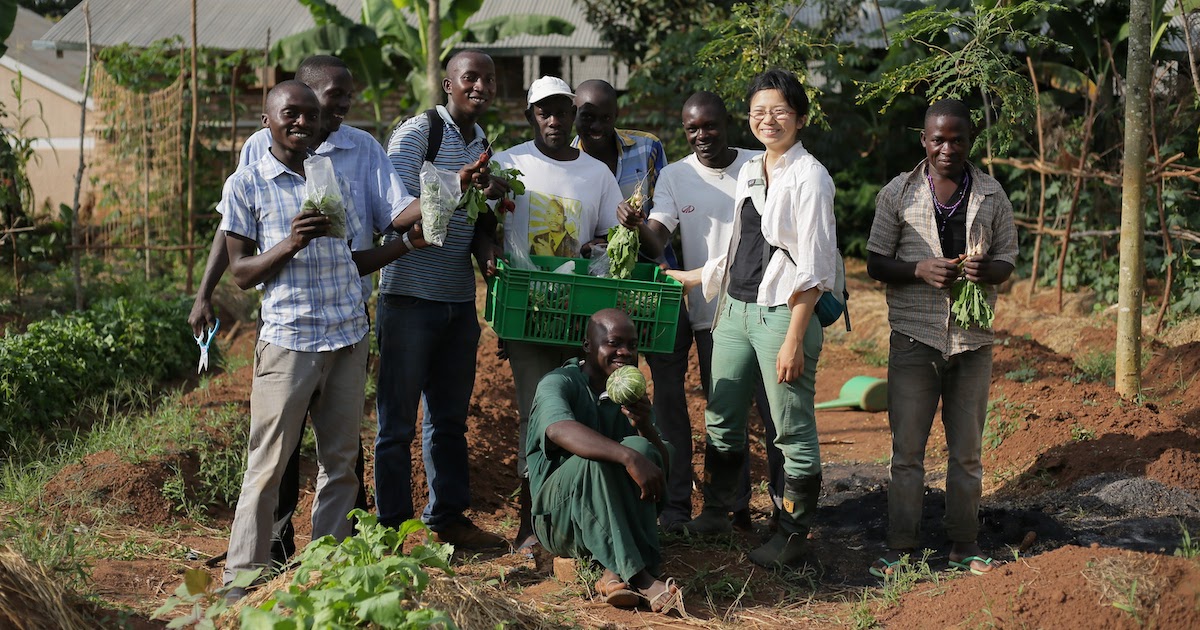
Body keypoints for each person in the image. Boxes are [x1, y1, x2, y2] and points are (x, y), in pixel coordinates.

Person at [187, 55, 420, 566]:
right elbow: (243, 272)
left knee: (340, 464)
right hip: (290, 339)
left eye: (310, 116)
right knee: (268, 463)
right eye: (291, 113)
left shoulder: (332, 173)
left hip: (347, 335)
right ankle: (243, 572)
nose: (302, 122)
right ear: (267, 120)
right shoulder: (247, 182)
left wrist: (412, 238)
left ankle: (323, 569)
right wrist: (290, 244)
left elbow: (353, 257)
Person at [667, 69, 838, 569]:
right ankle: (720, 511)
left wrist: (794, 339)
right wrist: (695, 276)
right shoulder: (750, 170)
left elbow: (814, 266)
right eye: (760, 112)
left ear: (800, 118)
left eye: (780, 111)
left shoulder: (811, 177)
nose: (769, 119)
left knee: (790, 427)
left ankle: (793, 532)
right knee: (722, 416)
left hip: (782, 315)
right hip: (734, 311)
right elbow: (741, 245)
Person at [617, 91, 782, 533]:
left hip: (760, 306)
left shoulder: (758, 162)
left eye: (709, 126)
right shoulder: (675, 176)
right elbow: (659, 237)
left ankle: (763, 509)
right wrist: (638, 226)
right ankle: (705, 507)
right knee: (701, 410)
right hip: (705, 311)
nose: (702, 135)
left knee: (755, 411)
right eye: (692, 129)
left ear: (727, 123)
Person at [865, 98, 1017, 578]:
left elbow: (1007, 262)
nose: (947, 148)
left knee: (967, 452)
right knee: (907, 453)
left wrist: (984, 270)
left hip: (972, 342)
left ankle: (963, 544)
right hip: (914, 338)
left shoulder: (991, 194)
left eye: (957, 139)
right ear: (923, 141)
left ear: (970, 142)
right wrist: (918, 269)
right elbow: (874, 263)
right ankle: (902, 546)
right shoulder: (897, 194)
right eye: (938, 139)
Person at [374, 50, 507, 549]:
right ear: (448, 85)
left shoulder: (480, 141)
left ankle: (447, 518)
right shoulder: (416, 134)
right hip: (408, 298)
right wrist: (458, 181)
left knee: (449, 421)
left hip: (456, 301)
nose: (480, 87)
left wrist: (486, 250)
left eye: (488, 80)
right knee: (396, 424)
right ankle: (392, 531)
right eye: (469, 78)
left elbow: (470, 224)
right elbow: (392, 213)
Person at [492, 76, 623, 553]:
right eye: (542, 112)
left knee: (583, 412)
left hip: (579, 317)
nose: (553, 120)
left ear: (574, 116)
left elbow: (612, 238)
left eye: (561, 111)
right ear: (530, 116)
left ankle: (575, 524)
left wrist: (602, 243)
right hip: (528, 311)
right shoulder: (510, 163)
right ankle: (529, 527)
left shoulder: (597, 174)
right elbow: (486, 222)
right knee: (534, 415)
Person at [527, 308, 682, 614]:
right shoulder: (559, 382)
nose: (624, 352)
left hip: (606, 513)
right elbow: (558, 428)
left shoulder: (627, 393)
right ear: (587, 346)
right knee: (598, 460)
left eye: (632, 345)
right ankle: (640, 575)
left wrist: (644, 427)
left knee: (642, 446)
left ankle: (613, 572)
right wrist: (627, 456)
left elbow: (661, 464)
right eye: (613, 343)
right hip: (560, 518)